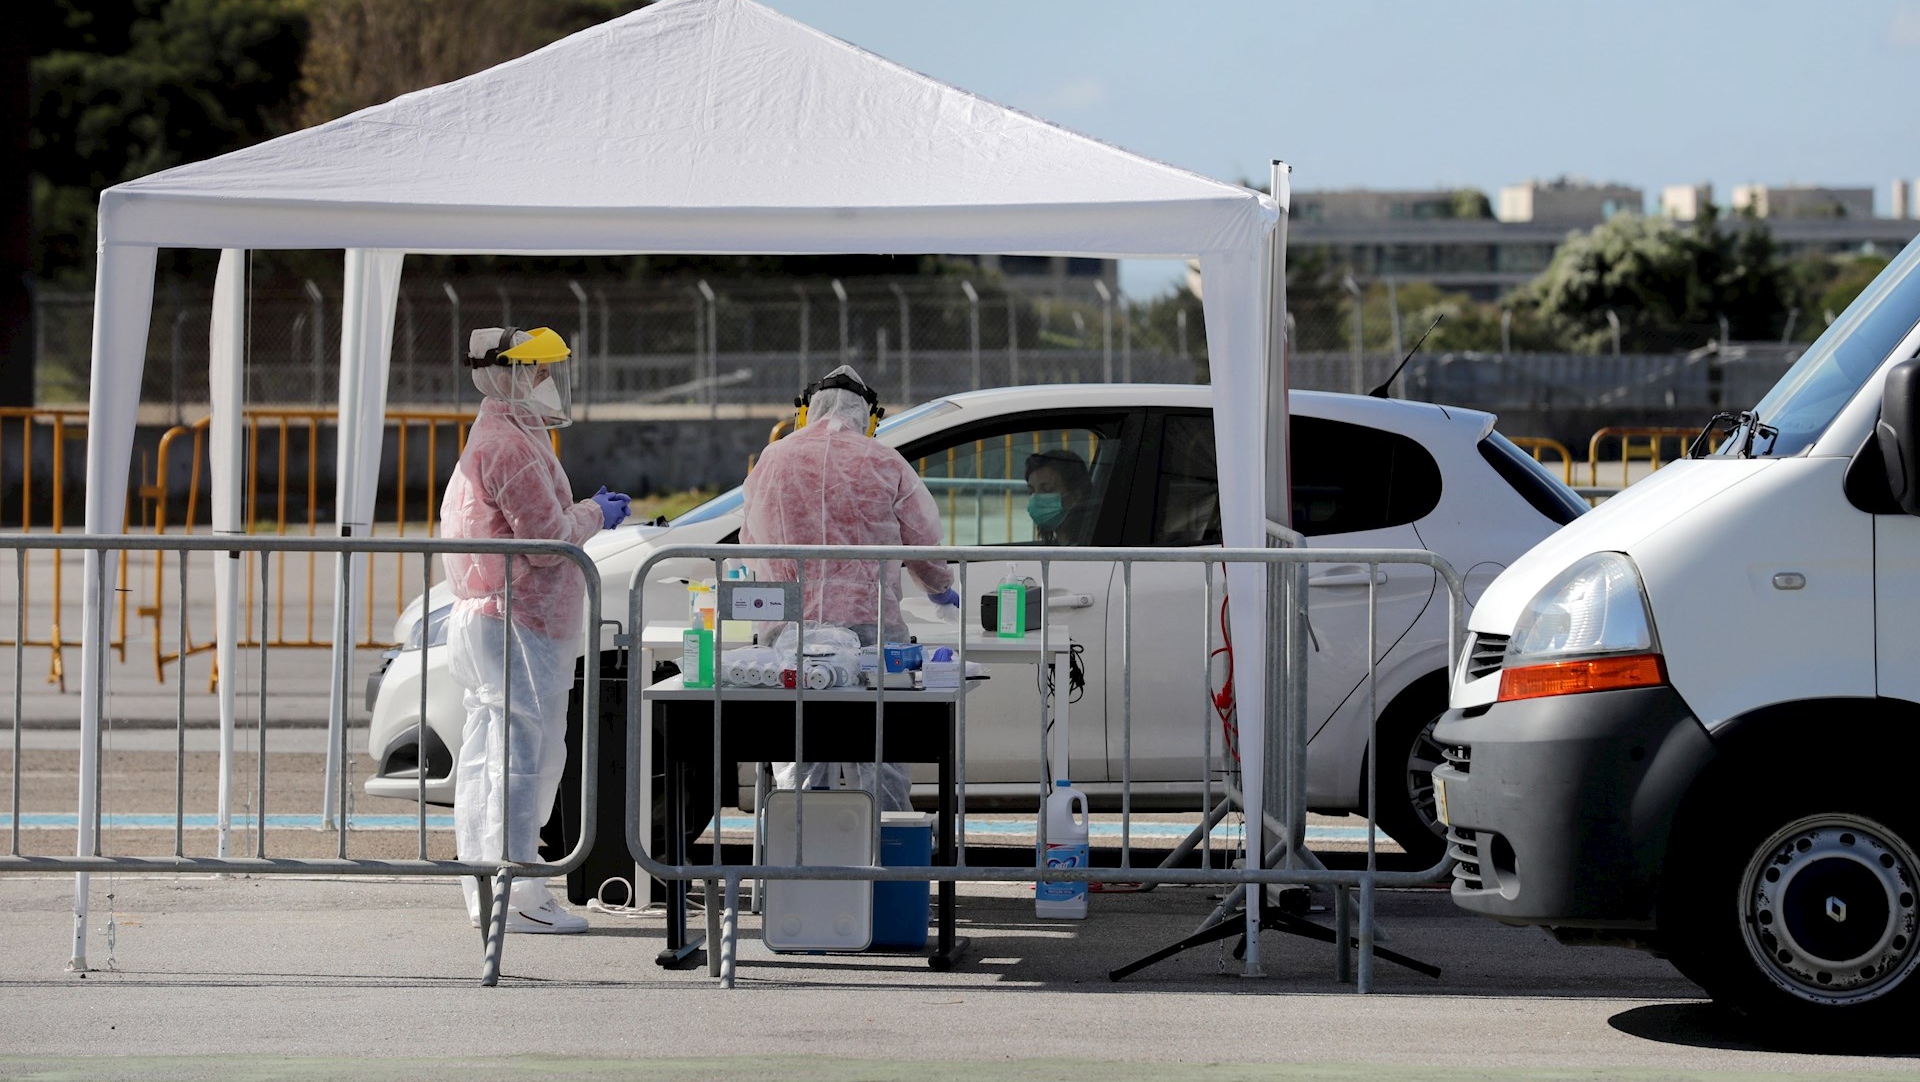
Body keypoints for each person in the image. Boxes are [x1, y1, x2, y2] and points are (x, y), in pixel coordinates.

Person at [441, 326, 631, 934]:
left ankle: (489, 888)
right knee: (525, 759)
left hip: (497, 618)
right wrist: (598, 512)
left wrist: (585, 512)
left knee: (489, 756)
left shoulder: (502, 434)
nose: (548, 380)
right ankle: (519, 890)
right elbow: (547, 542)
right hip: (519, 622)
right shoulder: (512, 446)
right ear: (510, 374)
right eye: (538, 369)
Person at [740, 365, 959, 810]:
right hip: (870, 628)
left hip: (792, 628)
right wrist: (939, 588)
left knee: (801, 748)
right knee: (879, 748)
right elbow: (922, 542)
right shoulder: (884, 461)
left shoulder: (774, 459)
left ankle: (797, 841)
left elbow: (751, 540)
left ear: (806, 412)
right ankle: (888, 839)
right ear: (869, 417)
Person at [1025, 448, 1098, 544]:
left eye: (1047, 489)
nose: (1036, 498)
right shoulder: (1063, 544)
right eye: (1031, 491)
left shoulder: (1089, 545)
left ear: (1075, 496)